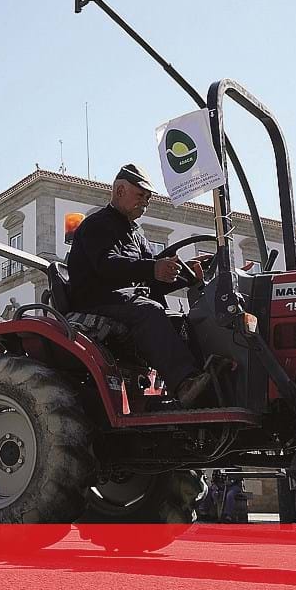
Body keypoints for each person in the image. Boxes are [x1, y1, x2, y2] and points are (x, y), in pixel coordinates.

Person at [66, 163, 212, 409]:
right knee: (150, 312)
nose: (145, 203)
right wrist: (152, 269)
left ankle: (205, 382)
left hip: (125, 301)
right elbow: (107, 266)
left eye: (148, 198)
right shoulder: (96, 225)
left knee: (181, 320)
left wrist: (188, 272)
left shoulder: (135, 234)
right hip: (98, 300)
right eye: (141, 195)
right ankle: (185, 383)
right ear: (120, 190)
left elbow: (154, 273)